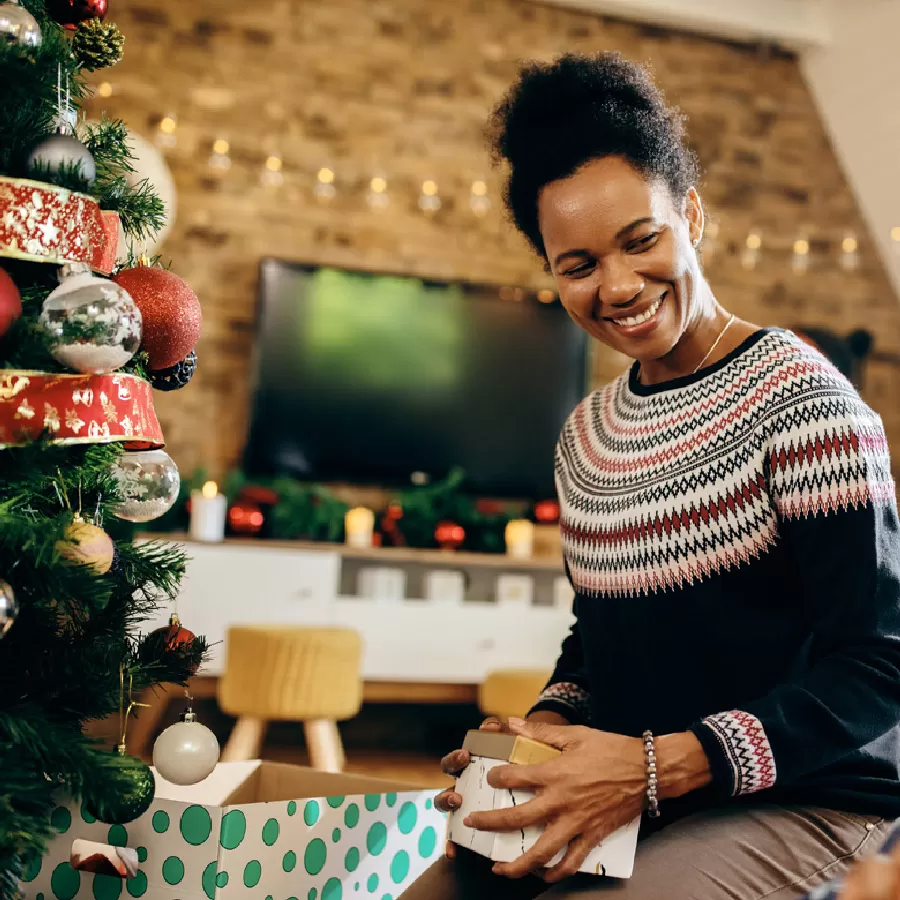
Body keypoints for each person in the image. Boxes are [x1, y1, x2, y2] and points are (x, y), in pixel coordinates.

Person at [401, 52, 900, 900]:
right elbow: (600, 642)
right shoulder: (587, 437)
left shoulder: (802, 402)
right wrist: (546, 727)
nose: (620, 286)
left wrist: (661, 767)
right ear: (551, 273)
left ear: (692, 215)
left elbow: (880, 662)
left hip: (810, 795)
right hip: (637, 780)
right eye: (579, 265)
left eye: (643, 240)